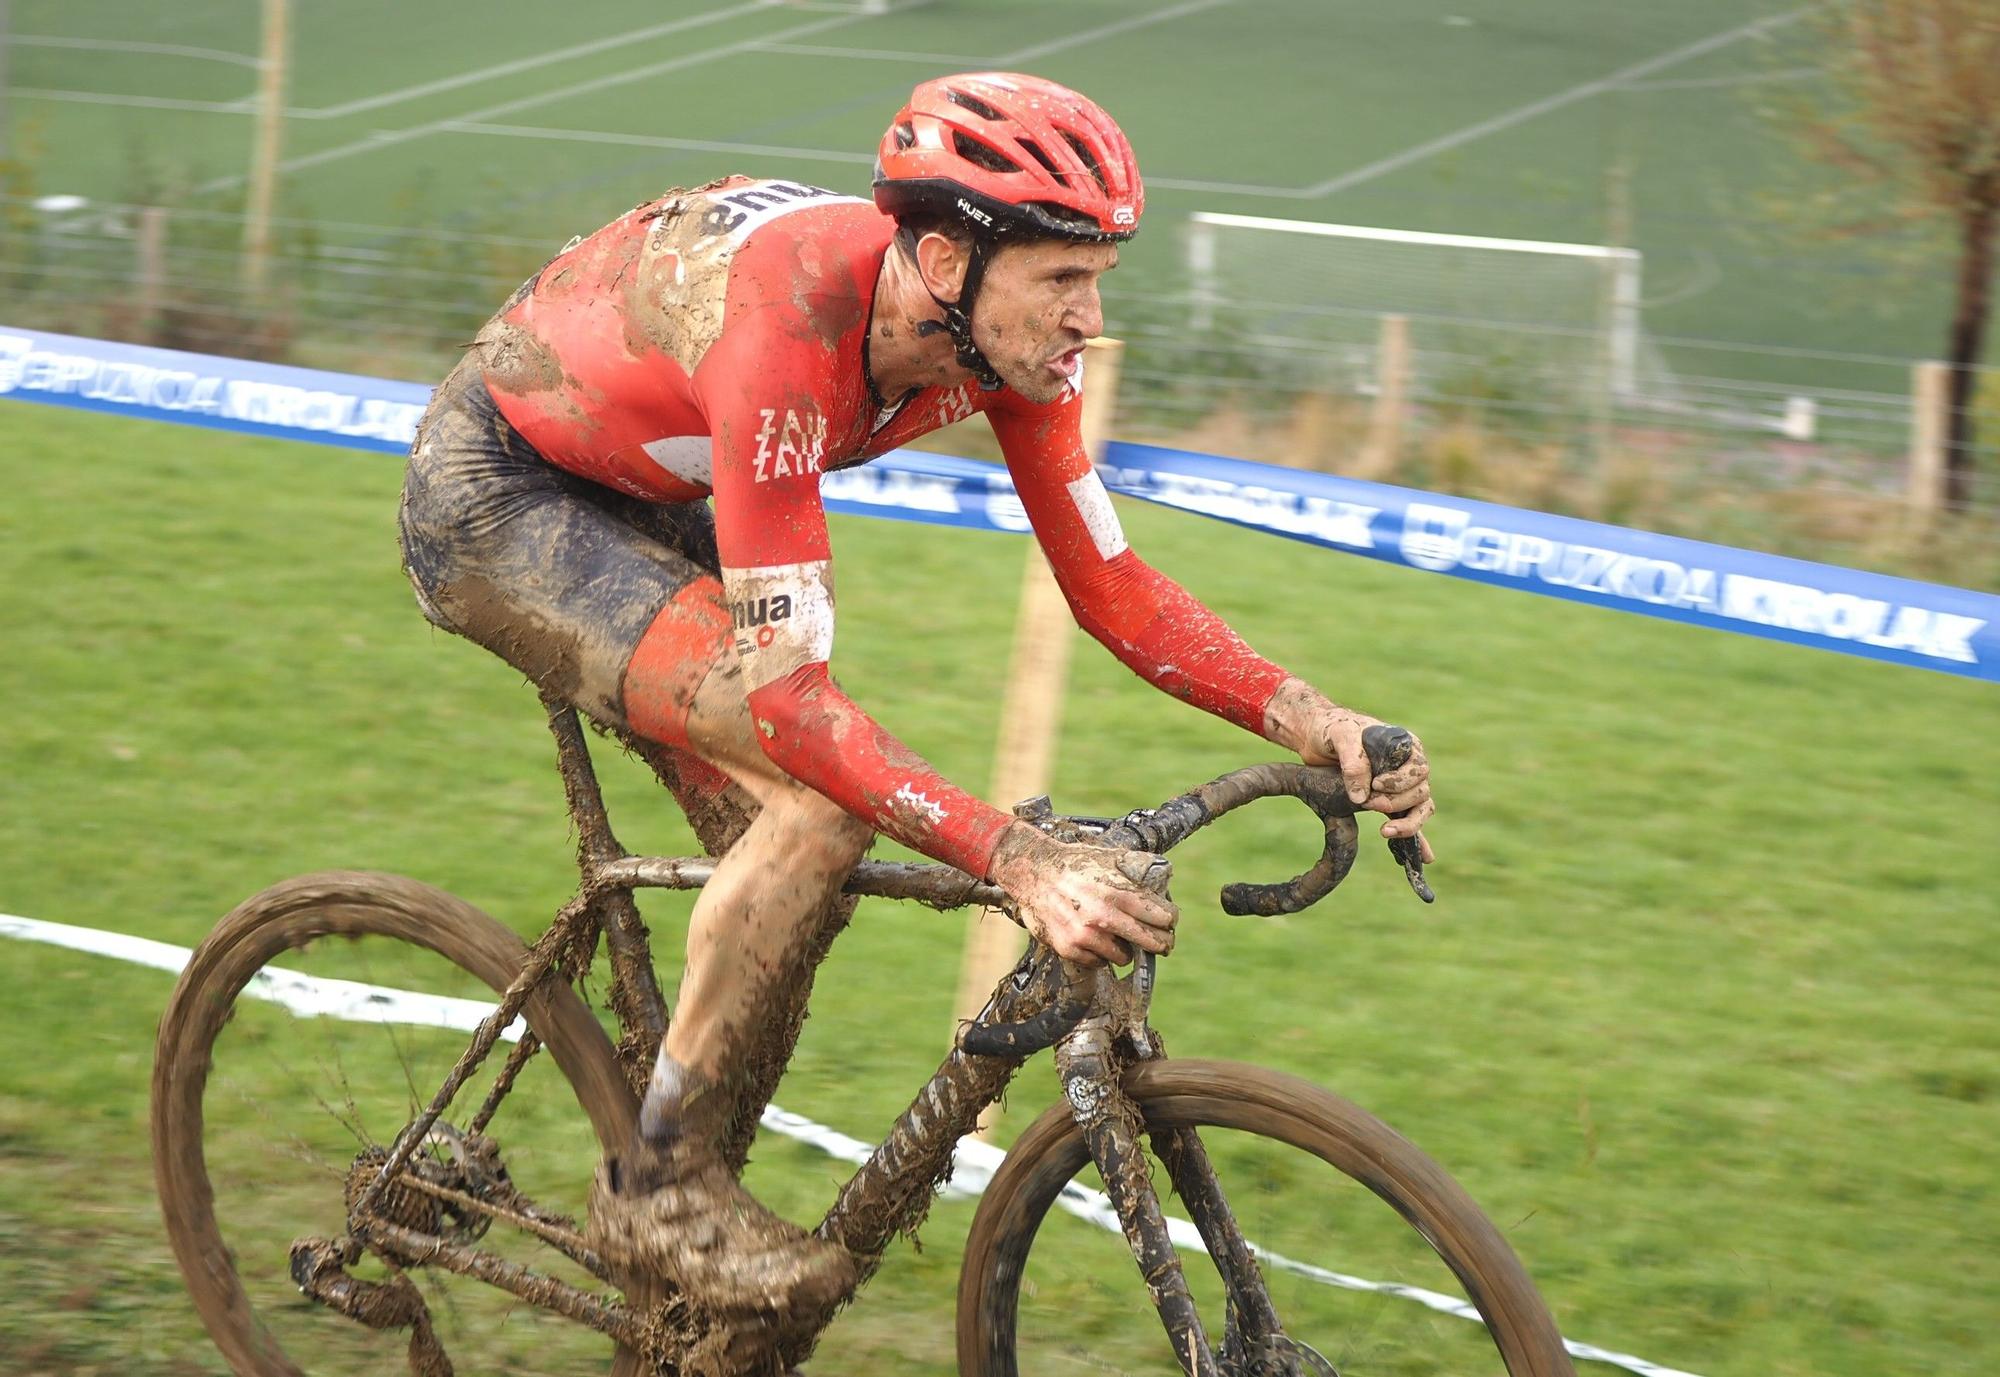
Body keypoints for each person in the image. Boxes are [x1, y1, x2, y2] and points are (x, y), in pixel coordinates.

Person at [398, 71, 1434, 1321]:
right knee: (814, 809)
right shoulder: (786, 334)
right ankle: (654, 1189)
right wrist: (1019, 860)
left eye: (1097, 279)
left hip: (659, 472)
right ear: (945, 257)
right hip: (507, 495)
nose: (1087, 319)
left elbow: (1107, 583)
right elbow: (791, 707)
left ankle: (681, 1256)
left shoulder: (991, 345)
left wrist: (1309, 715)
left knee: (800, 874)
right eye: (1063, 280)